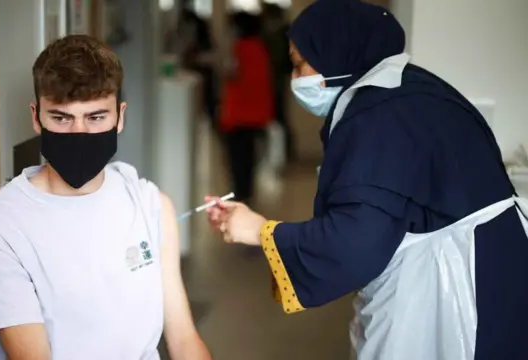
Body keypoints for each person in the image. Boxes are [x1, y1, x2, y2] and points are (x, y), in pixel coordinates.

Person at [206, 1, 528, 359]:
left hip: (453, 282)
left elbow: (355, 243)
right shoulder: (407, 89)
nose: (295, 80)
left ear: (335, 52)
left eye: (299, 65)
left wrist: (259, 231)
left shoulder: (375, 116)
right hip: (493, 261)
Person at [0, 35, 211, 360]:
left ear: (119, 117)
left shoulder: (150, 204)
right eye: (61, 118)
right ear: (36, 117)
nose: (78, 133)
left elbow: (183, 340)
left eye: (96, 117)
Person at [219, 12, 274, 205]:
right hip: (256, 114)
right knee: (249, 159)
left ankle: (240, 196)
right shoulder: (261, 48)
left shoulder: (238, 48)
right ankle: (247, 195)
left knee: (237, 160)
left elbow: (229, 72)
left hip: (238, 114)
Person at [260, 3, 295, 162]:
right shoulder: (283, 31)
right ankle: (284, 152)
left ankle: (282, 152)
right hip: (277, 79)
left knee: (278, 116)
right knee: (279, 116)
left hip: (274, 79)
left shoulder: (276, 33)